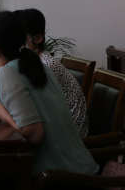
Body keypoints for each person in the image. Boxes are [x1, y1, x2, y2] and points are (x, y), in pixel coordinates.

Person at [0, 11, 98, 190]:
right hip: (83, 174)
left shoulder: (8, 72)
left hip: (60, 184)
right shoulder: (35, 63)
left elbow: (34, 134)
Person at [15, 8, 89, 137]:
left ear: (38, 38)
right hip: (57, 125)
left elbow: (37, 108)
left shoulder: (46, 65)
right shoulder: (34, 62)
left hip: (71, 134)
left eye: (21, 38)